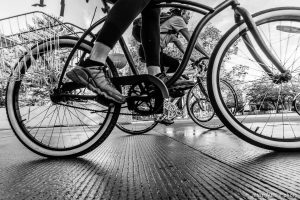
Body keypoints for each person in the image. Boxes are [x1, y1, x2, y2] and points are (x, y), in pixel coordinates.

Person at [66, 0, 193, 104]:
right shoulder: (177, 20)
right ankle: (94, 62)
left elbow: (181, 45)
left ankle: (155, 75)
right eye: (188, 14)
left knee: (153, 7)